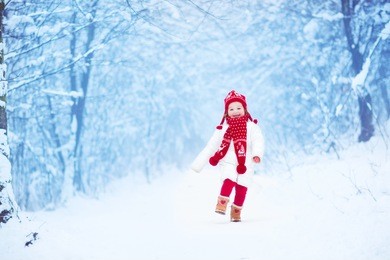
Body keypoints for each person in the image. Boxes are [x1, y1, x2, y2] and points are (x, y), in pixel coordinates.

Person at [190, 90, 265, 222]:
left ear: (245, 110)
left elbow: (258, 140)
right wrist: (198, 165)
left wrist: (257, 154)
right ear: (226, 112)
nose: (235, 110)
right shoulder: (222, 129)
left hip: (246, 162)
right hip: (228, 160)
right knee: (228, 179)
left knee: (242, 187)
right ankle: (222, 203)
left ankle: (236, 212)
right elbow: (211, 146)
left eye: (238, 108)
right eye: (231, 108)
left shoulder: (252, 127)